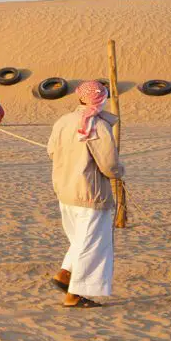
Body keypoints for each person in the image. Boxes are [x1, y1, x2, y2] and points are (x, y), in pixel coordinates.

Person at [46, 80, 125, 308]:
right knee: (91, 243)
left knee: (81, 239)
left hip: (66, 191)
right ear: (102, 99)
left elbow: (51, 151)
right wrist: (120, 172)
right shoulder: (97, 126)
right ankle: (75, 295)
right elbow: (109, 164)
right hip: (90, 193)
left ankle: (65, 274)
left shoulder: (63, 121)